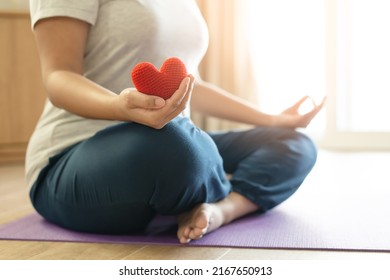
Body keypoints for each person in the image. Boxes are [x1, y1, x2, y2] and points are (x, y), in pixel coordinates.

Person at [26, 0, 325, 244]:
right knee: (177, 148)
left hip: (174, 139)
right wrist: (120, 107)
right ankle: (201, 182)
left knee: (293, 144)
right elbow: (59, 76)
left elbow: (193, 87)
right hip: (74, 157)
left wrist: (272, 120)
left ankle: (221, 209)